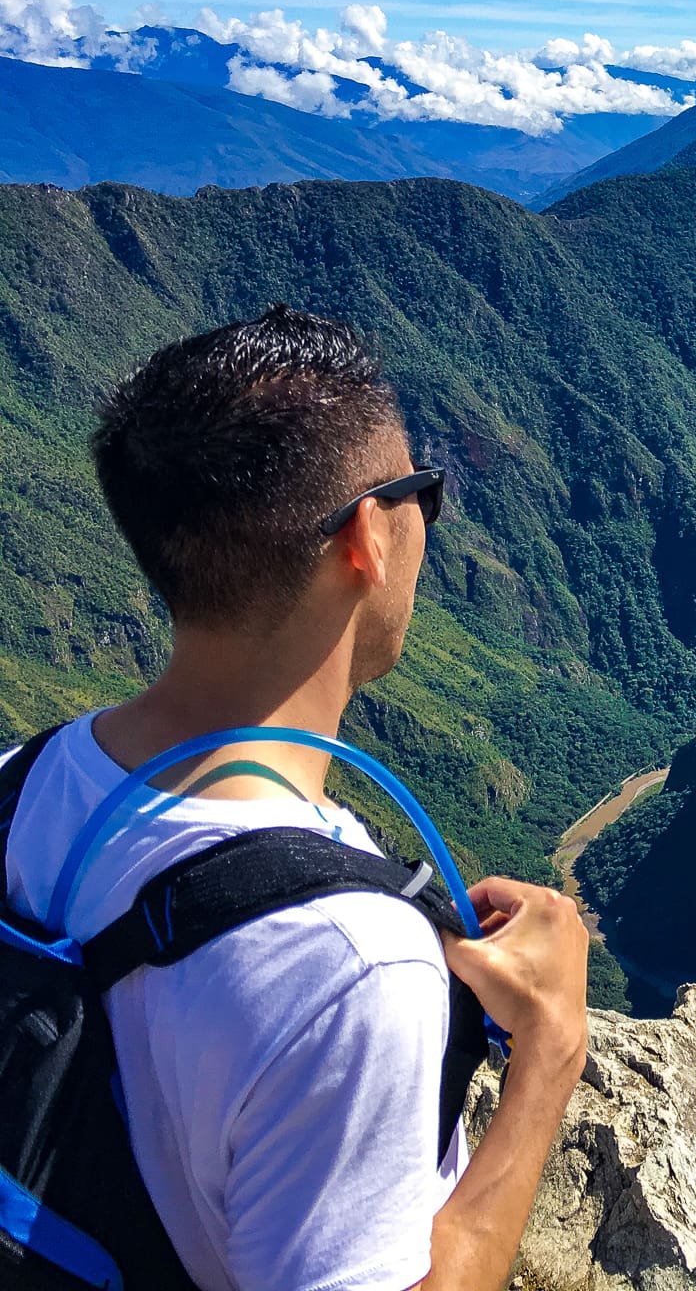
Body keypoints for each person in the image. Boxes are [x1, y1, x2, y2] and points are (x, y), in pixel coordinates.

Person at [1, 305, 589, 1290]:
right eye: (422, 495)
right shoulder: (351, 972)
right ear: (366, 534)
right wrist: (550, 1059)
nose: (425, 522)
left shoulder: (19, 781)